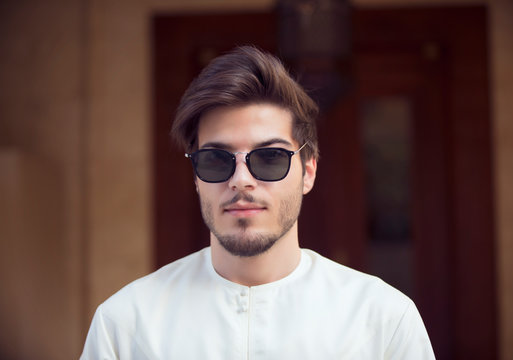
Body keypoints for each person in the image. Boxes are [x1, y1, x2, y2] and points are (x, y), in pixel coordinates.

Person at [80, 46, 435, 359]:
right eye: (217, 160)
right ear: (196, 177)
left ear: (308, 172)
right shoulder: (126, 326)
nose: (241, 180)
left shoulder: (382, 320)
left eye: (269, 157)